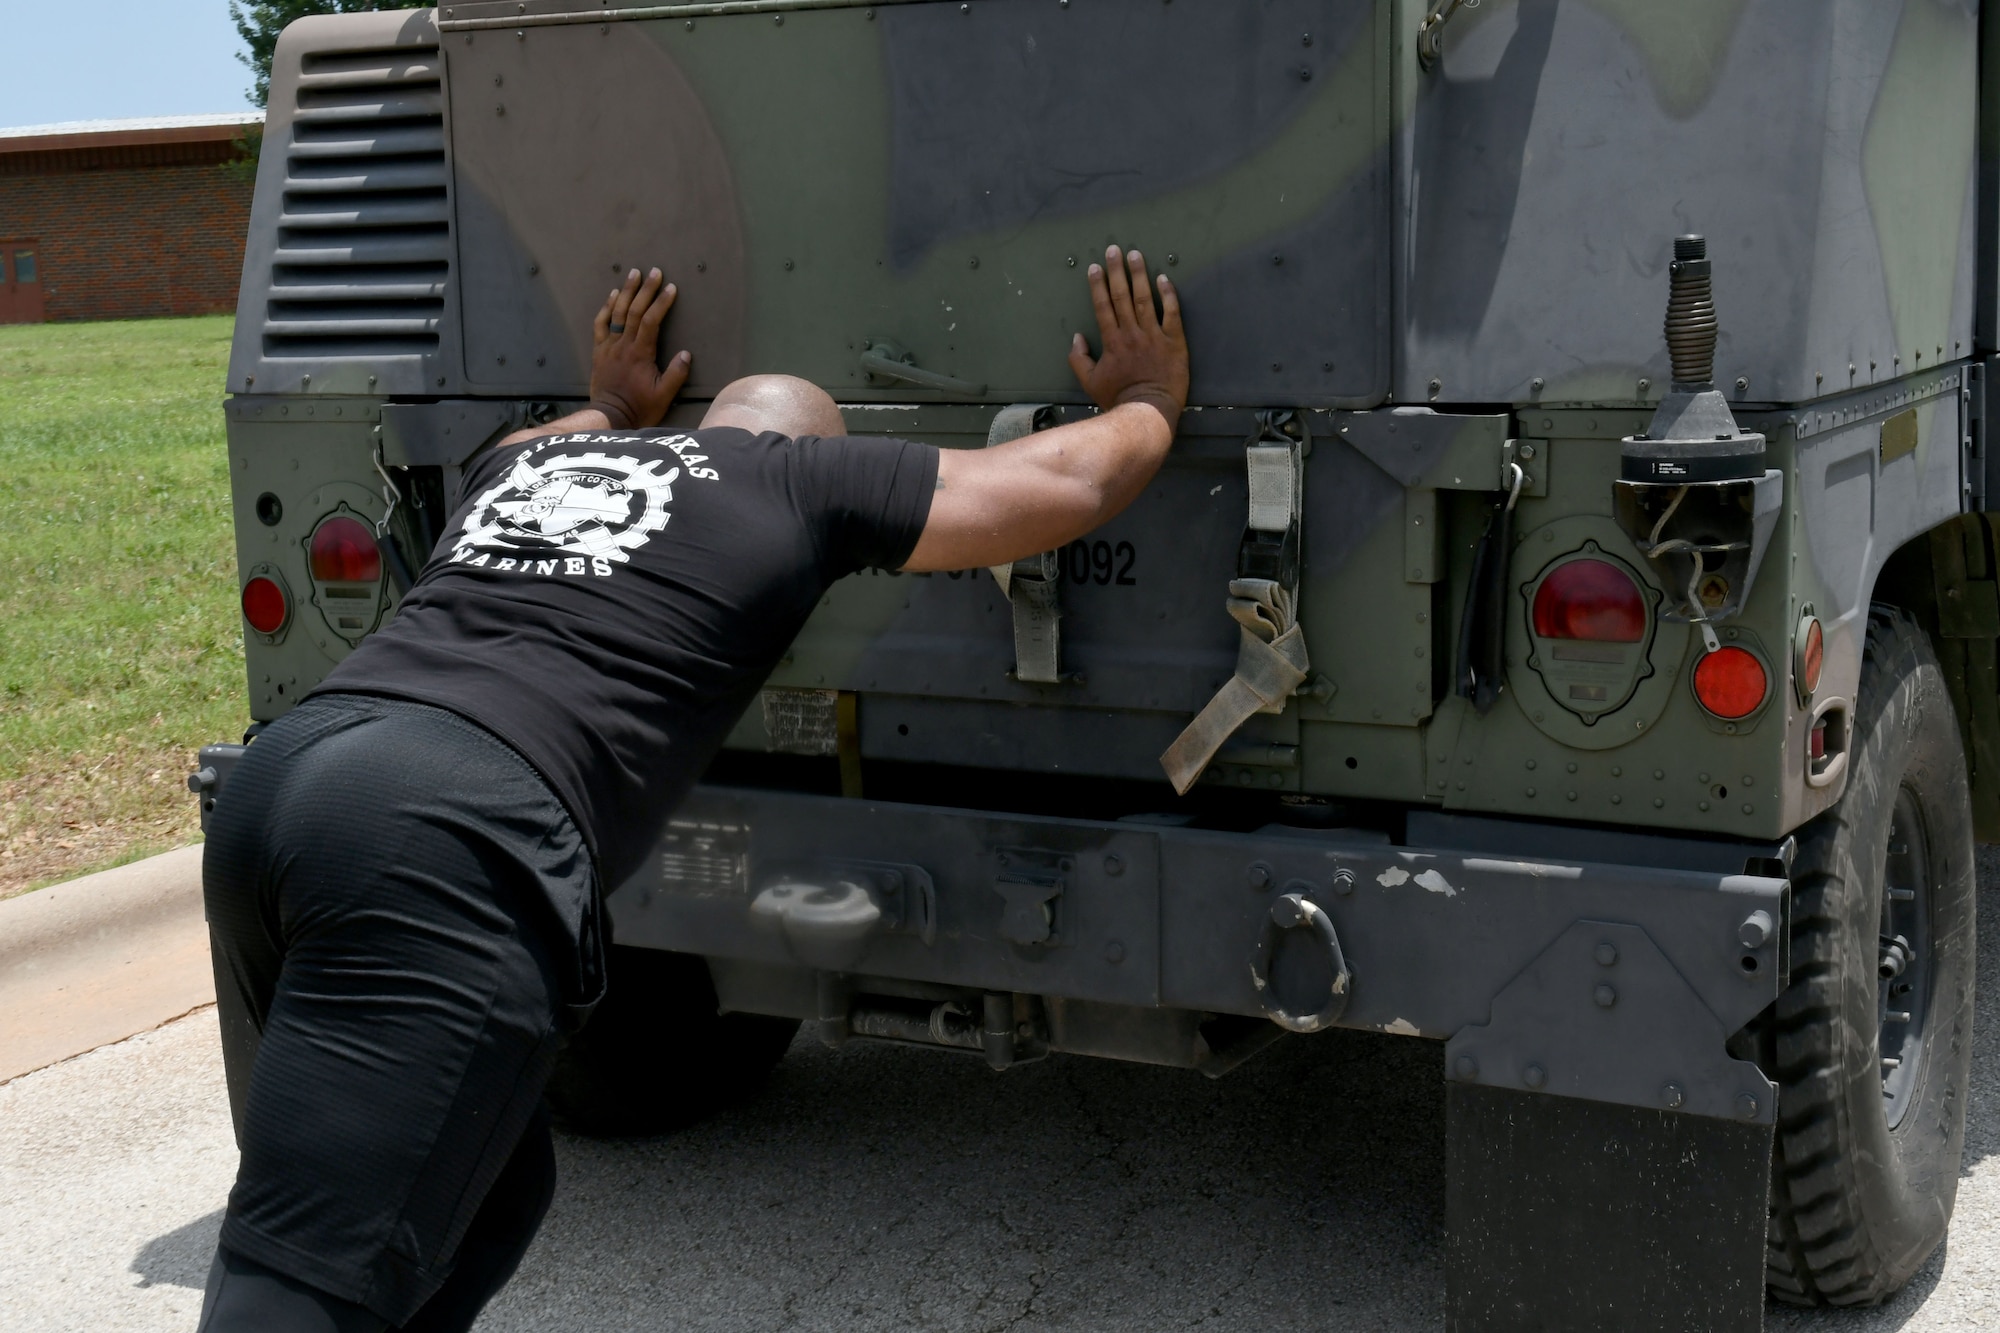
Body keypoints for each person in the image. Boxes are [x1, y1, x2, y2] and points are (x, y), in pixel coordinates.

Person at [195, 244, 1188, 1331]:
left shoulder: (526, 471)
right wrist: (1146, 399)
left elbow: (519, 442)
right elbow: (1059, 482)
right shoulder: (796, 479)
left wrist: (611, 402)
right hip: (451, 831)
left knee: (488, 1196)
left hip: (295, 778)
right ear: (813, 441)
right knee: (303, 1287)